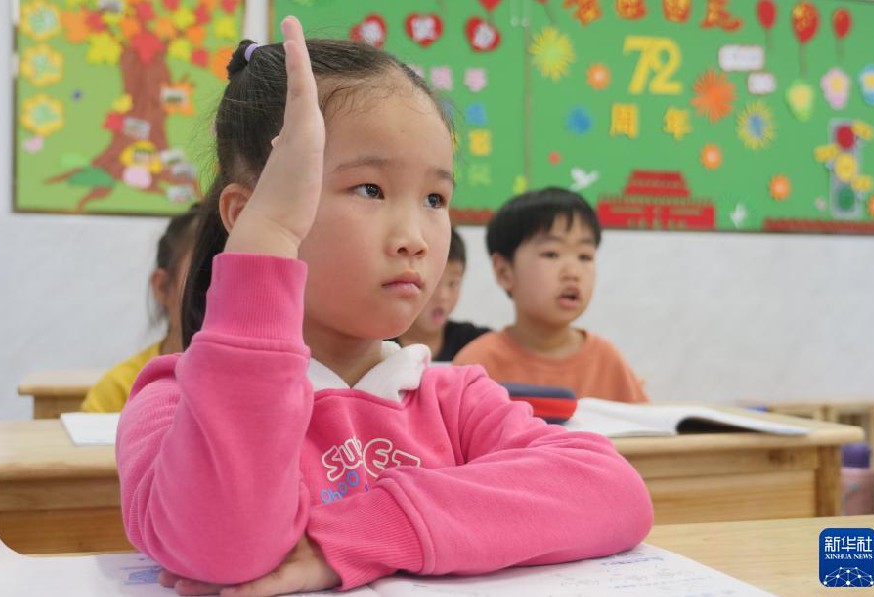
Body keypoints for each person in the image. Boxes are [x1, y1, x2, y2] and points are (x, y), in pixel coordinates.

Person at [116, 17, 652, 597]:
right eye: (370, 189)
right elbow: (225, 549)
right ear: (244, 213)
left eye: (435, 198)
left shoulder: (449, 398)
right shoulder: (171, 403)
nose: (416, 237)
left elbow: (614, 491)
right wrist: (266, 240)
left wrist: (357, 534)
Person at [453, 188, 649, 403]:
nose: (573, 272)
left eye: (585, 256)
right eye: (552, 254)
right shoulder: (477, 363)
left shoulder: (608, 361)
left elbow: (647, 432)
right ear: (504, 271)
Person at [79, 204, 200, 413]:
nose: (222, 293)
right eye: (204, 276)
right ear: (163, 288)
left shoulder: (258, 387)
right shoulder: (118, 392)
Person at [394, 227, 490, 361]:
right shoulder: (379, 345)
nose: (443, 296)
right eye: (434, 282)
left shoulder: (476, 343)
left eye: (453, 283)